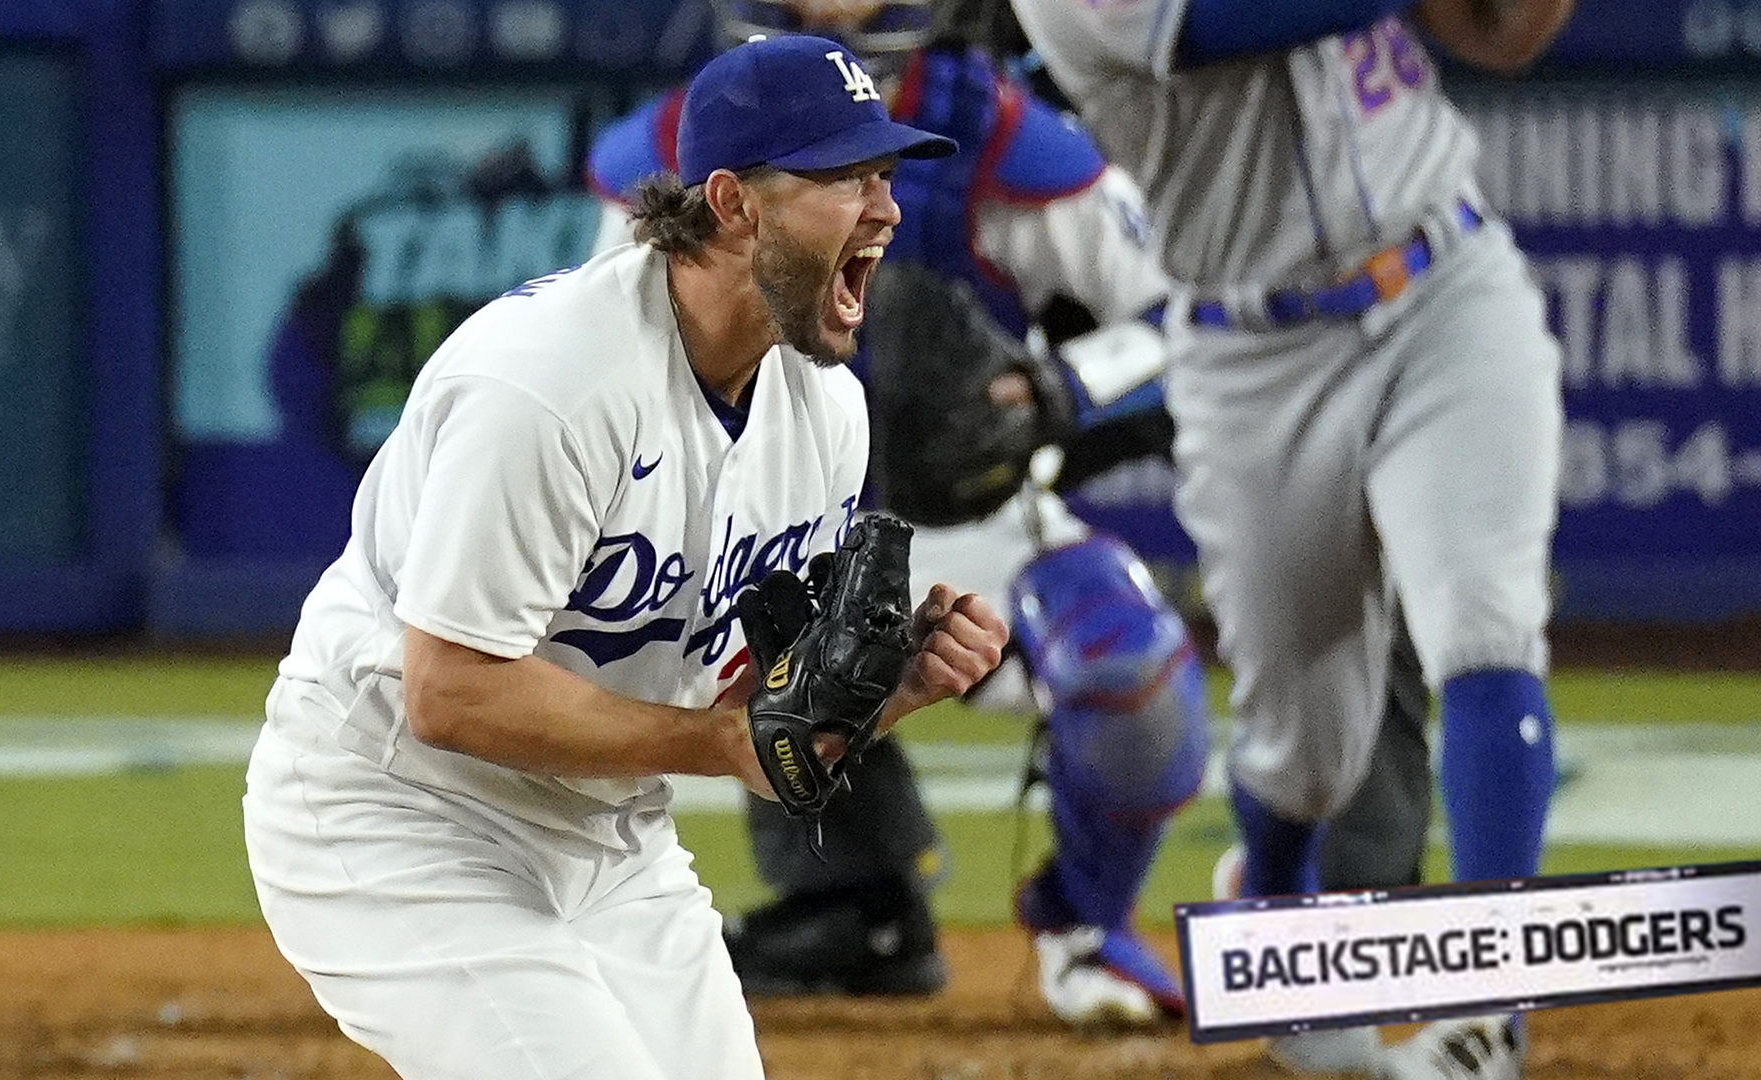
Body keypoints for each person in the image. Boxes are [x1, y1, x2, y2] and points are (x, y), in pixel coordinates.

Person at [587, 0, 1437, 1032]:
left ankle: (1084, 924)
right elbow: (612, 353)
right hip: (747, 522)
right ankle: (808, 905)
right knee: (637, 661)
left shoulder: (994, 135)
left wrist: (1057, 395)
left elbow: (1182, 309)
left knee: (1131, 675)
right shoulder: (671, 150)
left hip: (956, 521)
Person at [240, 33, 1008, 1080]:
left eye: (884, 175)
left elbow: (767, 716)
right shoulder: (552, 384)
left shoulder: (826, 410)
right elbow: (449, 693)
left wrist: (888, 692)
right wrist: (717, 745)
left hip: (608, 833)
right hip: (398, 816)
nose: (887, 208)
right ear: (733, 202)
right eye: (844, 177)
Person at [1008, 0, 1575, 1077]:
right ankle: (1274, 914)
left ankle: (1489, 1014)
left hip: (1445, 286)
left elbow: (1503, 32)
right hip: (1250, 355)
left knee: (1484, 624)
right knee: (1302, 749)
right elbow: (1236, 17)